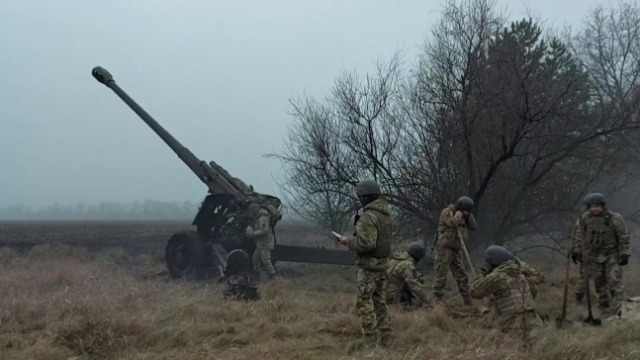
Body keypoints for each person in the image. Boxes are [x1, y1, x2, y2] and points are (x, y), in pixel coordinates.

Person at [336, 179, 393, 346]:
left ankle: (371, 341)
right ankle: (385, 337)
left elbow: (367, 243)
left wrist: (349, 241)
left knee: (364, 303)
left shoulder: (369, 216)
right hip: (382, 265)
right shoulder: (386, 214)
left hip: (369, 267)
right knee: (380, 302)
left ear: (365, 197)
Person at [571, 193, 631, 317]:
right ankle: (606, 311)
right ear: (588, 207)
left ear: (603, 206)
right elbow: (579, 236)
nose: (595, 209)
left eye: (597, 206)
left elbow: (623, 236)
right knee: (599, 285)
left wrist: (625, 253)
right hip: (593, 256)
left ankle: (625, 310)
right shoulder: (584, 219)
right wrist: (577, 251)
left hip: (611, 255)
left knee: (614, 282)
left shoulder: (614, 218)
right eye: (592, 206)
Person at [470, 246, 544, 343]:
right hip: (534, 321)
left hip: (511, 324)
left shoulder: (498, 277)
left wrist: (482, 274)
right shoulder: (521, 271)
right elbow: (538, 281)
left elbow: (475, 291)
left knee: (493, 341)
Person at [433, 196, 477, 305]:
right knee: (441, 275)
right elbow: (452, 223)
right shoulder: (447, 212)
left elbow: (474, 226)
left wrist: (468, 216)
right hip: (445, 248)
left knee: (462, 275)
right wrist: (459, 214)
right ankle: (437, 301)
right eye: (465, 210)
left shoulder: (466, 216)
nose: (466, 212)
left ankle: (467, 300)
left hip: (456, 250)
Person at [386, 241, 431, 308]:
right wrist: (430, 301)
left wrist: (418, 275)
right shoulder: (407, 264)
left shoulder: (397, 259)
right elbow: (415, 286)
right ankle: (405, 305)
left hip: (383, 291)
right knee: (409, 284)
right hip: (389, 297)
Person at [245, 203, 277, 280]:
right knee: (255, 259)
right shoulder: (259, 218)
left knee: (266, 261)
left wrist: (253, 233)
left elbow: (264, 230)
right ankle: (256, 277)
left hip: (265, 243)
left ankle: (273, 277)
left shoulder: (263, 218)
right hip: (260, 243)